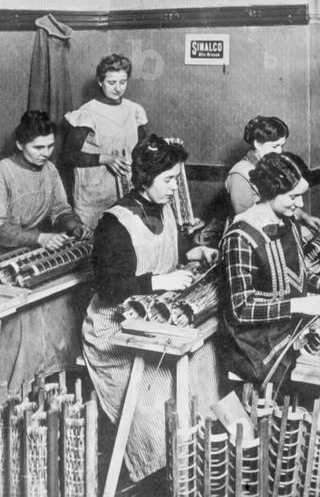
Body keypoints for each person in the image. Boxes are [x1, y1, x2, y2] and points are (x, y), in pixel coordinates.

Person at [82, 135, 217, 483]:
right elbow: (109, 287)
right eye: (169, 179)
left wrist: (196, 252)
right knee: (158, 396)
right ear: (145, 179)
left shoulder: (164, 207)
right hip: (116, 327)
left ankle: (201, 459)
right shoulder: (114, 224)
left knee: (203, 362)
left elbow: (170, 246)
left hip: (154, 314)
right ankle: (165, 474)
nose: (175, 187)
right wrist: (160, 282)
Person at [0, 111, 92, 389]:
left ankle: (44, 384)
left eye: (50, 146)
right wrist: (40, 238)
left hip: (23, 253)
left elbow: (59, 209)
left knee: (56, 307)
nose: (46, 153)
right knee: (17, 321)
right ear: (20, 144)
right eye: (38, 147)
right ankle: (9, 391)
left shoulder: (50, 171)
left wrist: (74, 225)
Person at [221, 152, 320, 383]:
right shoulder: (240, 237)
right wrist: (299, 304)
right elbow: (241, 309)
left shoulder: (287, 222)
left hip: (291, 325)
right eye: (293, 196)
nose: (300, 204)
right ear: (270, 192)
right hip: (258, 344)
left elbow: (292, 271)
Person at [64, 54, 149, 228]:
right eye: (111, 82)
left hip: (127, 193)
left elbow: (143, 149)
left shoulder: (133, 110)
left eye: (123, 82)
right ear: (100, 81)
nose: (118, 88)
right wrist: (105, 158)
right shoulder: (87, 113)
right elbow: (69, 156)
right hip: (94, 197)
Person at [224, 116, 320, 230]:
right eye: (275, 146)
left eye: (282, 146)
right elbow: (247, 222)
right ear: (257, 144)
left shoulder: (273, 165)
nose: (280, 151)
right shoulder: (239, 174)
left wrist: (304, 216)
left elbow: (284, 200)